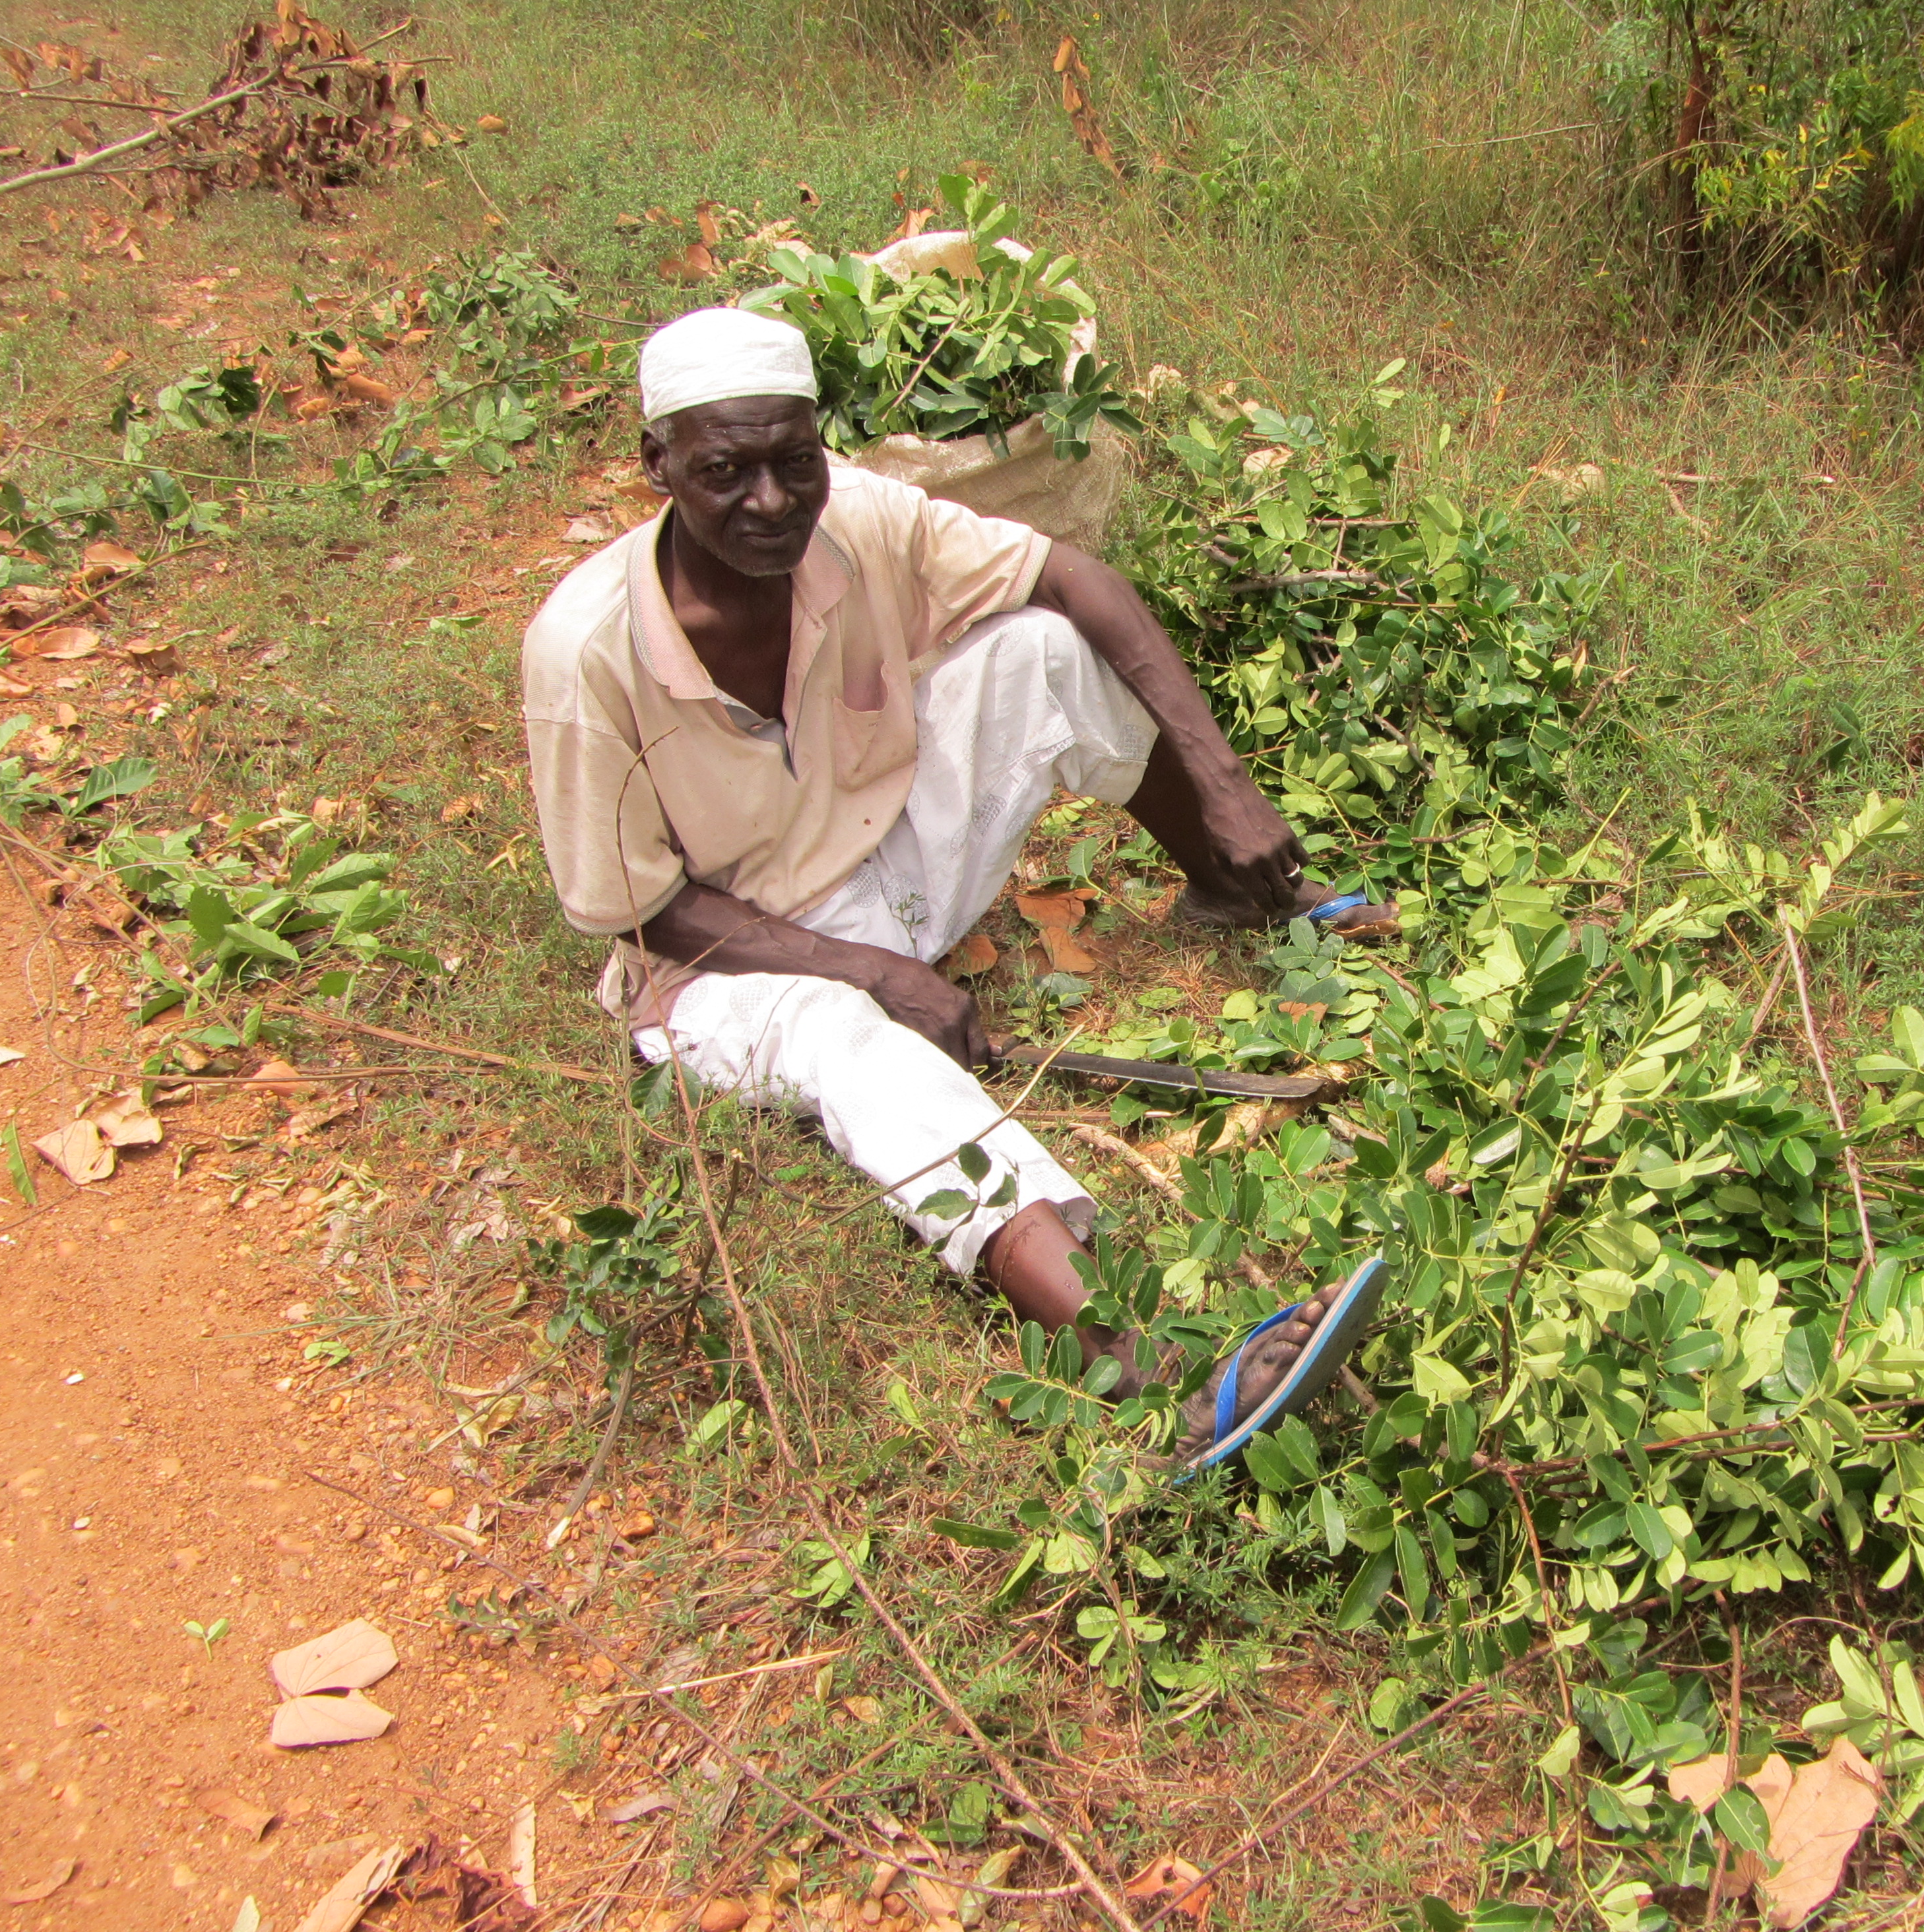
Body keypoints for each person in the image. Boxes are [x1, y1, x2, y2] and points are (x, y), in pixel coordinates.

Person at [520, 307, 1394, 1461]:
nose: (773, 502)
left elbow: (1074, 576)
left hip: (876, 859)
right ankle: (1135, 1353)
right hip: (719, 962)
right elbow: (640, 906)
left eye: (795, 460)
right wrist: (875, 975)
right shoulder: (588, 649)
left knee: (1048, 649)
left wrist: (1225, 783)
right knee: (848, 1038)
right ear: (657, 465)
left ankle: (1241, 889)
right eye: (726, 470)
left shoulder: (860, 521)